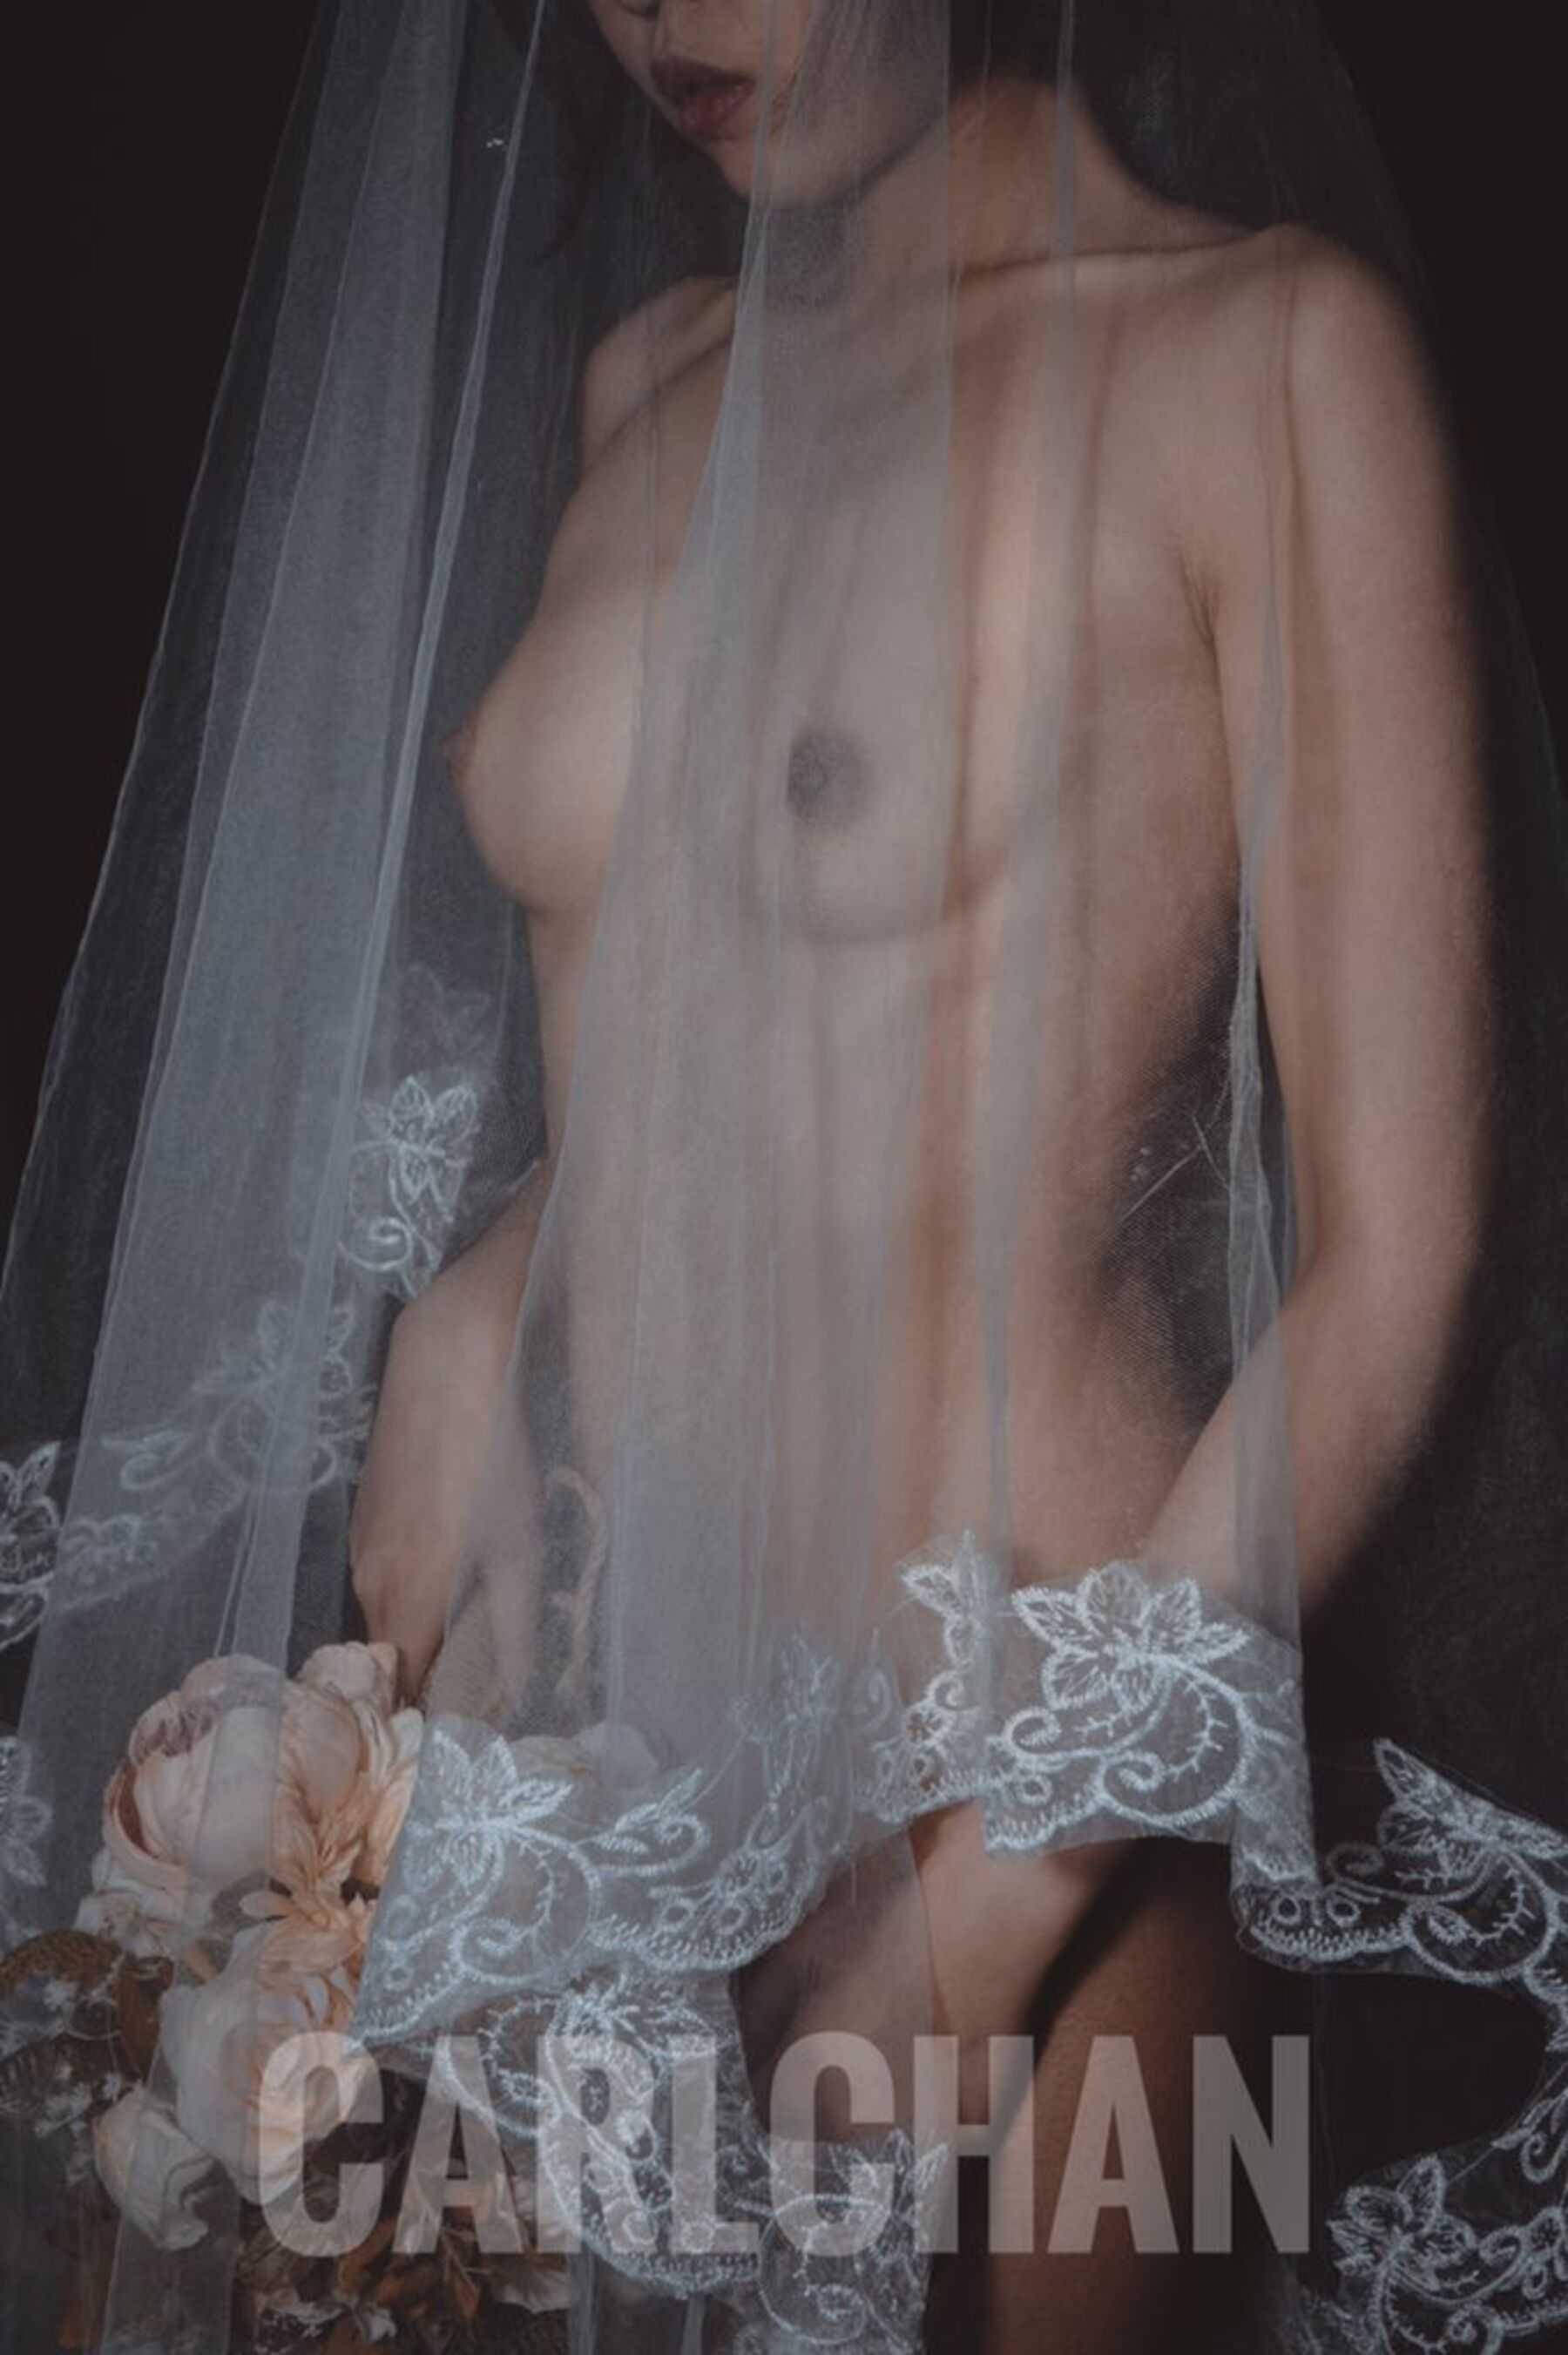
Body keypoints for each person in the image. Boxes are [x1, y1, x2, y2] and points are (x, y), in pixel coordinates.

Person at [3, 6, 1563, 2352]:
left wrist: (993, 1906)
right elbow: (700, 1027)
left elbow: (1402, 1253)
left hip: (1018, 1777)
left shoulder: (1260, 358)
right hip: (588, 1765)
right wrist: (474, 1309)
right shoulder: (654, 380)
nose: (660, 6)